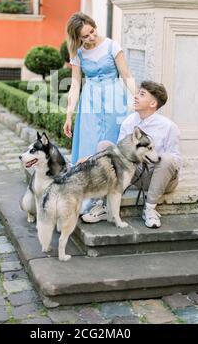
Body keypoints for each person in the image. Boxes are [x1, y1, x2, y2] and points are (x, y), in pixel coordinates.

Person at [81, 81, 182, 228]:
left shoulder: (168, 126)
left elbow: (176, 160)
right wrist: (90, 159)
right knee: (104, 146)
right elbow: (117, 155)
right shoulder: (129, 121)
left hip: (160, 177)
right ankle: (102, 206)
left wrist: (153, 158)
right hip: (136, 173)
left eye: (142, 94)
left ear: (153, 103)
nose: (136, 97)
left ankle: (150, 209)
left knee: (167, 159)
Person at [63, 12, 137, 214]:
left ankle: (110, 195)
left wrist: (136, 98)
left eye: (92, 32)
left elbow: (126, 75)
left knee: (112, 145)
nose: (91, 38)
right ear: (77, 38)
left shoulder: (112, 46)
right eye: (85, 36)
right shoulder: (77, 53)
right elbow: (75, 84)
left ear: (94, 27)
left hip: (114, 100)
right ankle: (90, 197)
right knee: (89, 145)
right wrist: (69, 115)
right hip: (90, 102)